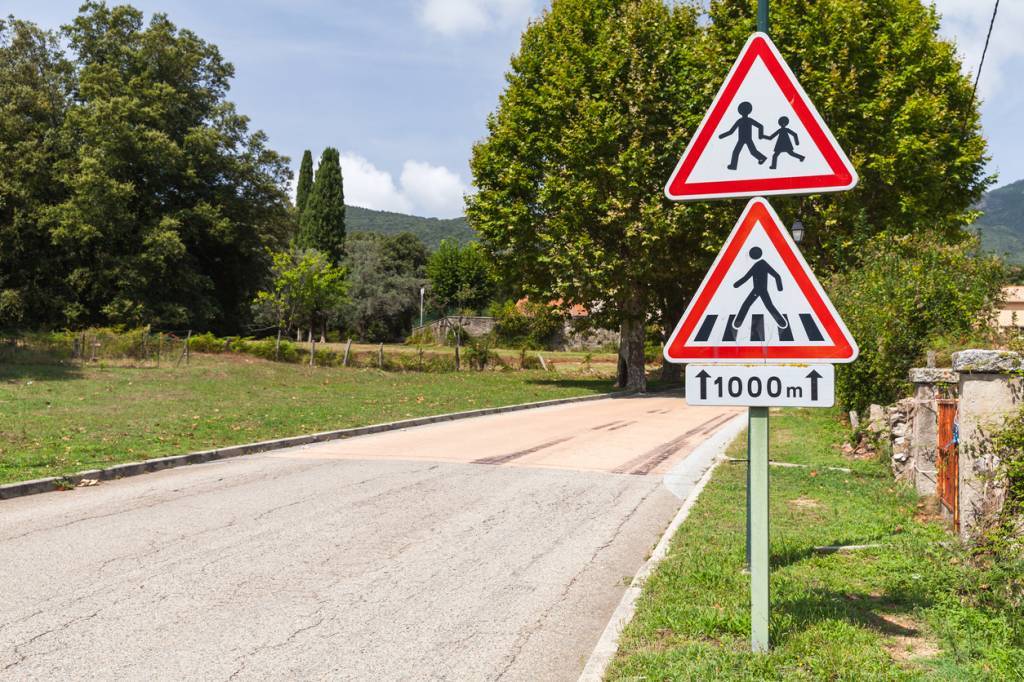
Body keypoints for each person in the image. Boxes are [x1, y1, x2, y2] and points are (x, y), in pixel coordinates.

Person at [731, 247, 787, 330]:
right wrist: (779, 288)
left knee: (747, 304)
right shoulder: (762, 264)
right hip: (759, 289)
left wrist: (736, 284)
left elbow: (746, 277)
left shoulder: (759, 265)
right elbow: (776, 276)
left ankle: (738, 322)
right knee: (768, 305)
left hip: (759, 290)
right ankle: (781, 321)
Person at [719, 102, 766, 170]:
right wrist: (722, 136)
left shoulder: (745, 120)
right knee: (740, 152)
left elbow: (760, 126)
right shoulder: (742, 120)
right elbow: (731, 131)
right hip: (742, 139)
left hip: (747, 139)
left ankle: (762, 158)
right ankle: (733, 166)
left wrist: (760, 135)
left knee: (750, 151)